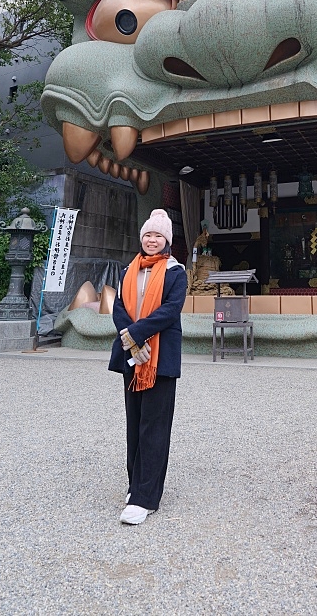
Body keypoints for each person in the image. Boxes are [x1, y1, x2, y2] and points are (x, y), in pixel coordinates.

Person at [108, 208, 187, 525]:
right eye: (148, 235)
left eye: (158, 235)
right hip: (132, 354)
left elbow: (170, 311)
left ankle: (146, 497)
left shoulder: (175, 272)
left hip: (159, 357)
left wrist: (136, 334)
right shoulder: (129, 269)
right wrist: (130, 339)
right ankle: (135, 484)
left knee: (154, 426)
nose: (152, 240)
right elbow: (119, 307)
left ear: (166, 240)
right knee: (134, 422)